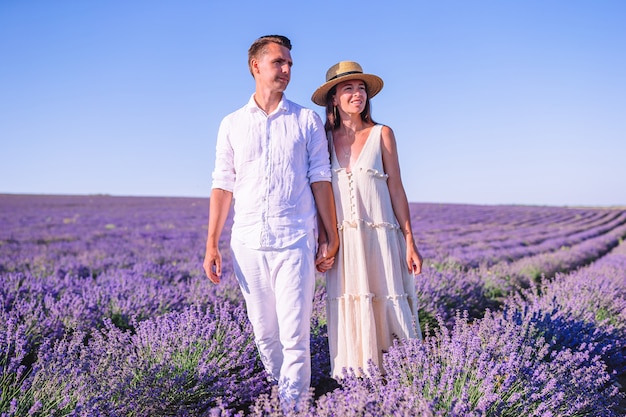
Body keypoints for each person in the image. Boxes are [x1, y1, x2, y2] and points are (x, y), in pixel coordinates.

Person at [203, 35, 339, 407]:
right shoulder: (231, 123)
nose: (286, 70)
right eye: (279, 62)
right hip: (247, 241)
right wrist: (211, 243)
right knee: (265, 335)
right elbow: (222, 184)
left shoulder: (305, 120)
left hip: (295, 238)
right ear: (256, 66)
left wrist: (331, 234)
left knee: (295, 335)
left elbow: (320, 178)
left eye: (290, 64)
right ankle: (285, 394)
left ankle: (293, 409)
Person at [311, 61, 423, 379]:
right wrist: (324, 240)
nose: (357, 93)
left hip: (382, 240)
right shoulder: (322, 140)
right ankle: (358, 387)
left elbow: (397, 189)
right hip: (344, 245)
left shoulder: (382, 134)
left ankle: (406, 380)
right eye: (349, 87)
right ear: (334, 98)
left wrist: (410, 241)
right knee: (352, 306)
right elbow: (318, 194)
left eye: (361, 88)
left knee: (390, 304)